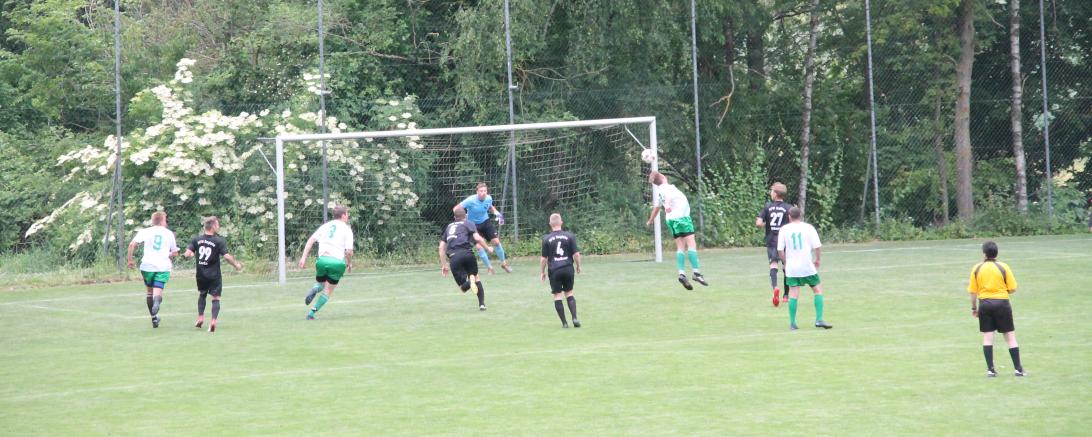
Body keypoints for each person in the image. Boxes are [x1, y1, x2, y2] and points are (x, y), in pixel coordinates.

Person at [968, 241, 1024, 377]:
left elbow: (973, 291)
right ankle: (1018, 369)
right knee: (1010, 336)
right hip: (1002, 303)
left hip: (985, 304)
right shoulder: (1003, 266)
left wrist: (974, 308)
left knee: (987, 337)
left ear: (984, 253)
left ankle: (990, 370)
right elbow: (1012, 288)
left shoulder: (977, 268)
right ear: (996, 253)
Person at [645, 171, 707, 290]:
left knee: (680, 247)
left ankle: (682, 274)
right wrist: (667, 205)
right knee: (691, 244)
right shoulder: (668, 187)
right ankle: (696, 273)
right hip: (681, 218)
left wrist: (650, 220)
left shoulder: (659, 192)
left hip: (671, 220)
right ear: (663, 178)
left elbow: (656, 208)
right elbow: (668, 197)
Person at [776, 206, 832, 330]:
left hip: (792, 267)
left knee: (793, 294)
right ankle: (819, 319)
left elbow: (780, 250)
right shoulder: (808, 228)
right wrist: (817, 260)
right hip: (807, 265)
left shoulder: (784, 229)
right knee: (818, 290)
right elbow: (817, 246)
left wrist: (786, 262)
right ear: (800, 216)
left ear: (789, 217)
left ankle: (792, 323)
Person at [183, 216, 242, 333]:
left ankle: (200, 317)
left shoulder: (197, 239)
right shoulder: (219, 241)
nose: (219, 226)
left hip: (201, 274)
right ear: (213, 226)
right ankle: (213, 321)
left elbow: (187, 254)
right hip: (214, 275)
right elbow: (226, 256)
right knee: (216, 298)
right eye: (218, 224)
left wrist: (190, 255)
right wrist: (236, 265)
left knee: (202, 294)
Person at [298, 206, 354, 320]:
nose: (348, 216)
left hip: (322, 261)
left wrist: (303, 258)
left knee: (320, 284)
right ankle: (311, 314)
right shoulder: (346, 229)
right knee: (328, 289)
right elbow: (349, 251)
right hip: (337, 263)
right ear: (343, 215)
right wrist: (349, 263)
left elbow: (310, 241)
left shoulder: (325, 226)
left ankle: (314, 289)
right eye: (347, 214)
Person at [126, 211, 180, 328]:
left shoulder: (145, 231)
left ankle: (154, 318)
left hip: (147, 266)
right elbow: (175, 253)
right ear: (162, 221)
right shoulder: (169, 233)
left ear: (153, 221)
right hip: (163, 266)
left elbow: (131, 245)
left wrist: (130, 260)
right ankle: (157, 301)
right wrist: (167, 253)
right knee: (158, 291)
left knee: (149, 292)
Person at [439, 206, 493, 311]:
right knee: (476, 278)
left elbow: (441, 248)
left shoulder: (449, 226)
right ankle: (482, 304)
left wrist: (444, 265)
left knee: (463, 289)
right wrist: (487, 248)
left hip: (454, 257)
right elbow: (477, 238)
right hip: (468, 254)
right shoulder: (468, 223)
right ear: (466, 216)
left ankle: (470, 282)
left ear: (454, 217)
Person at [455, 182, 511, 274]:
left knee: (496, 242)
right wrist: (462, 219)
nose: (483, 193)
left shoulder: (489, 198)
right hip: (473, 225)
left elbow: (489, 207)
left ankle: (504, 263)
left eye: (485, 191)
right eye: (481, 191)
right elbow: (456, 208)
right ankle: (489, 268)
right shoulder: (470, 200)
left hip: (485, 222)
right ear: (477, 192)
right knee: (479, 247)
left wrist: (497, 213)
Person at [540, 213, 582, 328]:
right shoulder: (569, 236)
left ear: (550, 224)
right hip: (568, 268)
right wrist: (578, 266)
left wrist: (542, 272)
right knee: (569, 293)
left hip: (554, 270)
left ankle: (564, 323)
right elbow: (577, 254)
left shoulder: (546, 239)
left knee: (558, 296)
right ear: (561, 222)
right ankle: (574, 317)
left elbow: (544, 259)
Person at [756, 182, 792, 307]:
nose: (770, 193)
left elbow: (759, 223)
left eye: (771, 191)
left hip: (772, 240)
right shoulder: (789, 208)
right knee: (786, 266)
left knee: (773, 264)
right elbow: (793, 223)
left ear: (776, 194)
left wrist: (767, 223)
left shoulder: (768, 207)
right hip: (785, 241)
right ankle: (786, 295)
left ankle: (775, 288)